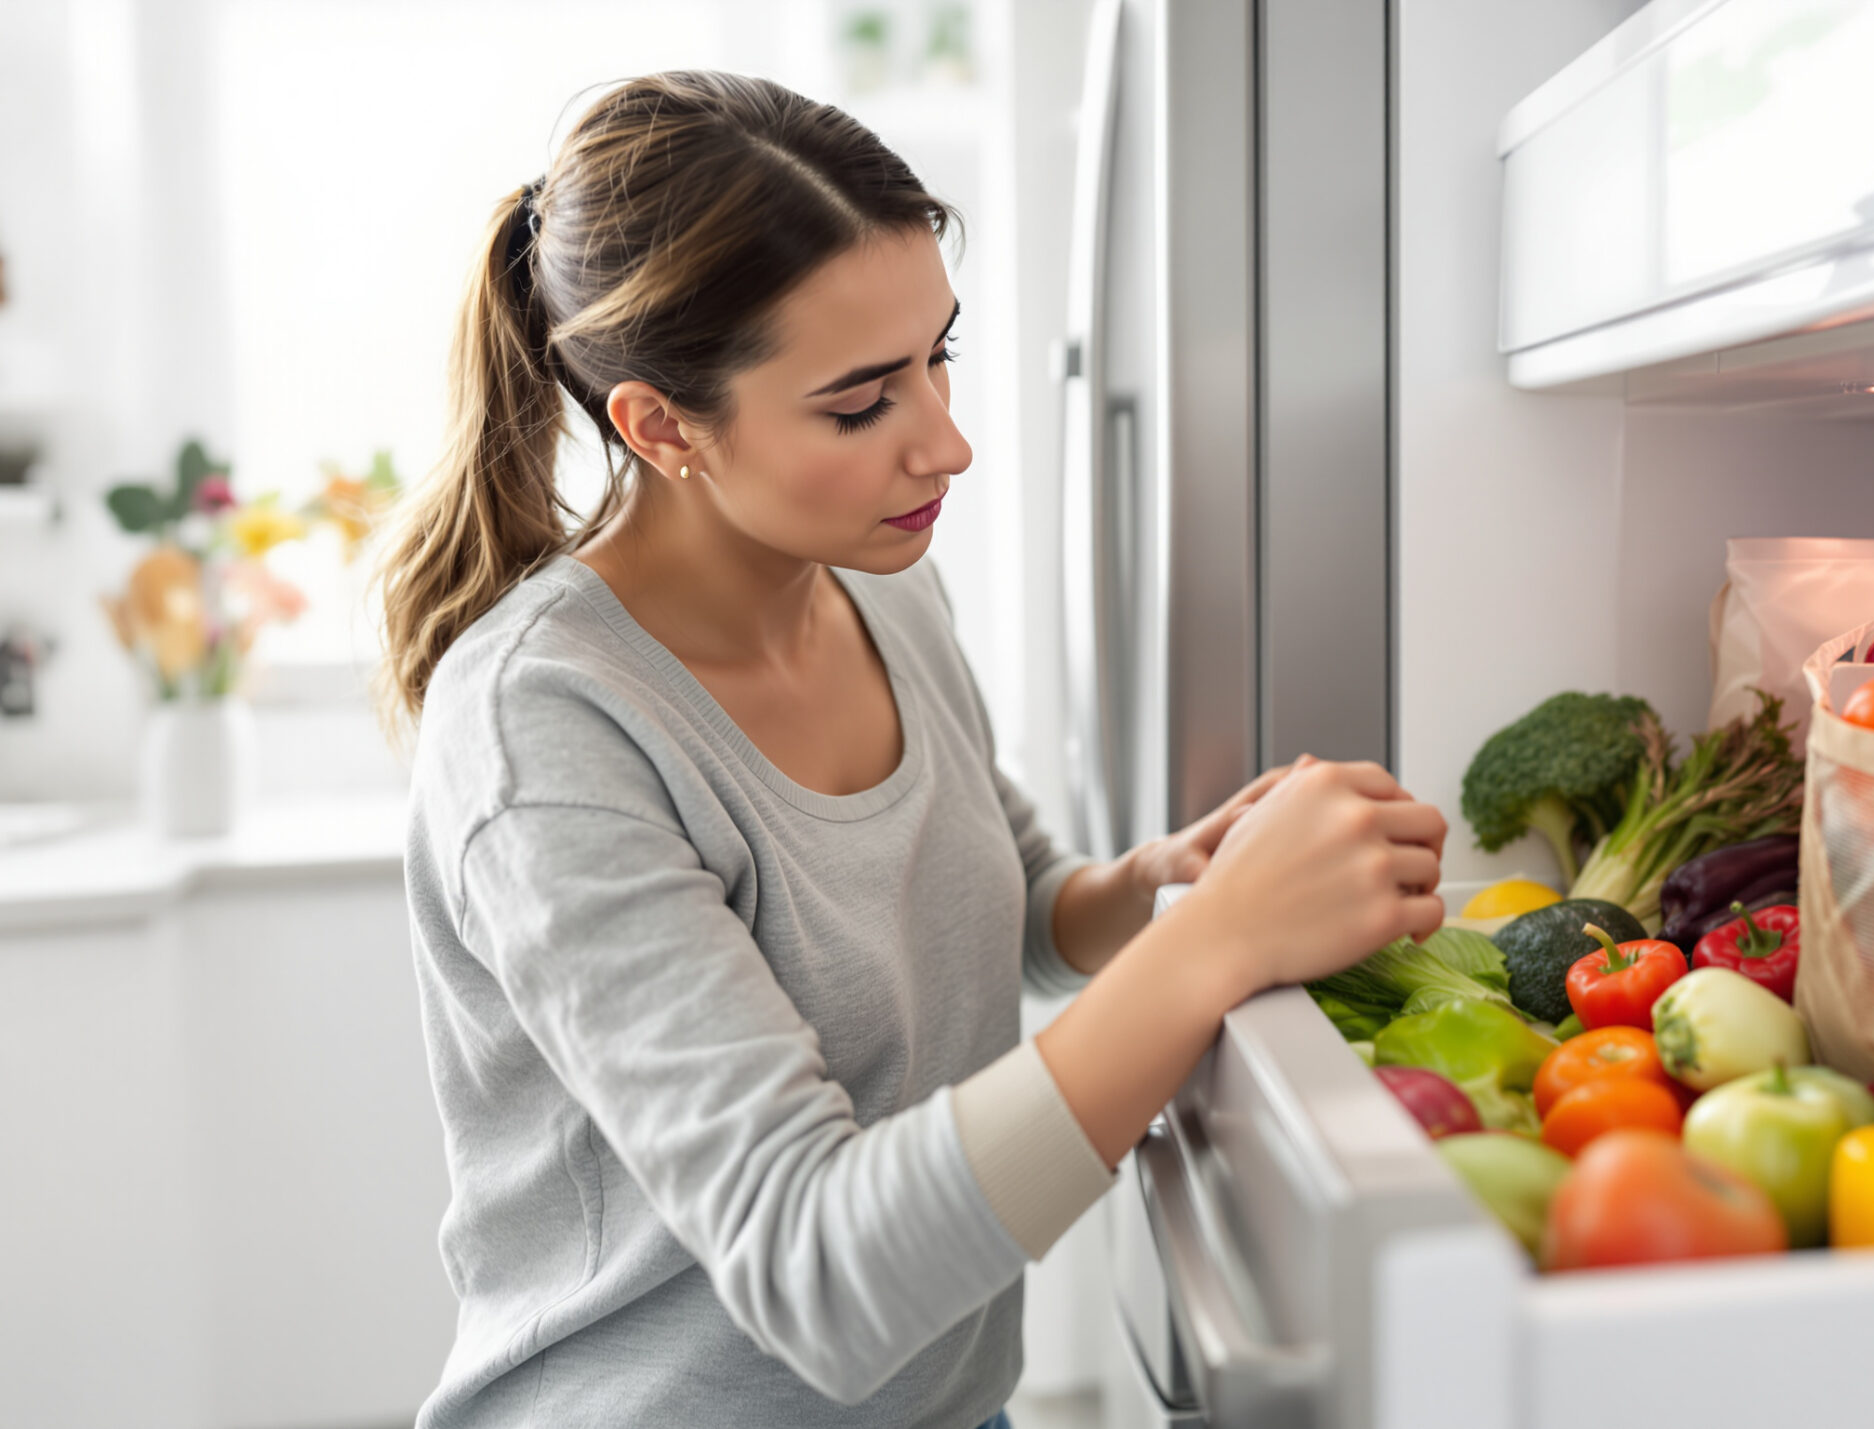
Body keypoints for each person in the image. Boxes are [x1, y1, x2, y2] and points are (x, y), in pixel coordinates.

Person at [373, 71, 1444, 1429]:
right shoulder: (545, 729)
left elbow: (999, 896)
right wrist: (1214, 939)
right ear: (661, 425)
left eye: (939, 354)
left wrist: (1157, 886)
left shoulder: (875, 580)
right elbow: (817, 1272)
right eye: (861, 401)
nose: (948, 440)